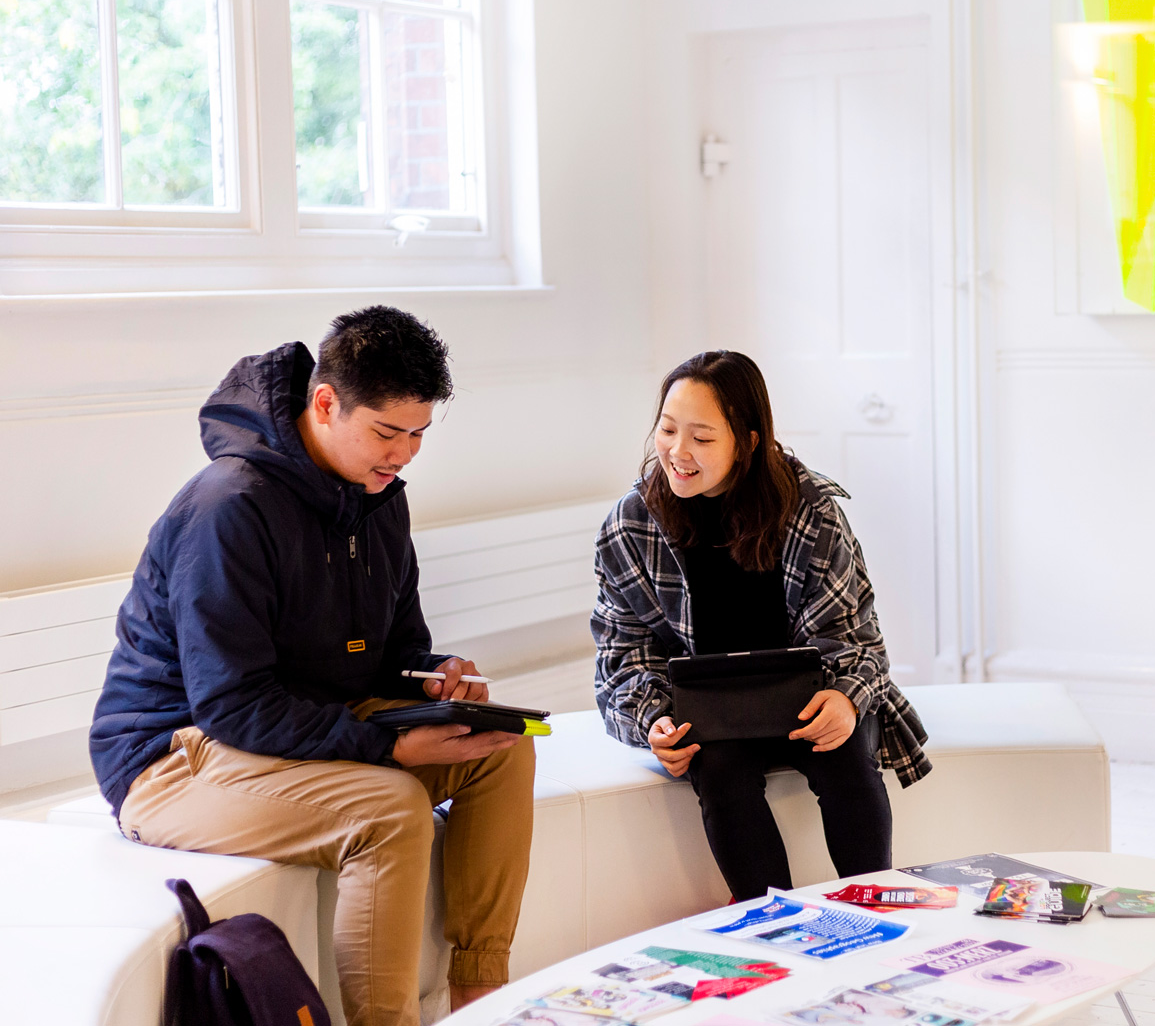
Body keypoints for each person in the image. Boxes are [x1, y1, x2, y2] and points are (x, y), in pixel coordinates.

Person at [89, 307, 534, 1026]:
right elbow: (230, 705)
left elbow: (393, 656)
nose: (406, 454)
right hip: (174, 756)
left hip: (297, 727)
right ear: (325, 403)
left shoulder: (380, 497)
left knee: (500, 750)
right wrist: (387, 746)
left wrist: (436, 678)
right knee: (390, 810)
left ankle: (481, 996)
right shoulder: (228, 507)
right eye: (388, 432)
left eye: (419, 433)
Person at [592, 350, 931, 901]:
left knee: (845, 761)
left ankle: (876, 909)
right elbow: (622, 654)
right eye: (668, 428)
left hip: (812, 692)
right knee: (719, 772)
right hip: (716, 709)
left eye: (702, 438)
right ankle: (773, 925)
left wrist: (845, 698)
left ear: (748, 442)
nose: (678, 452)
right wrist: (651, 718)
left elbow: (855, 635)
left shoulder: (810, 509)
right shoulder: (631, 526)